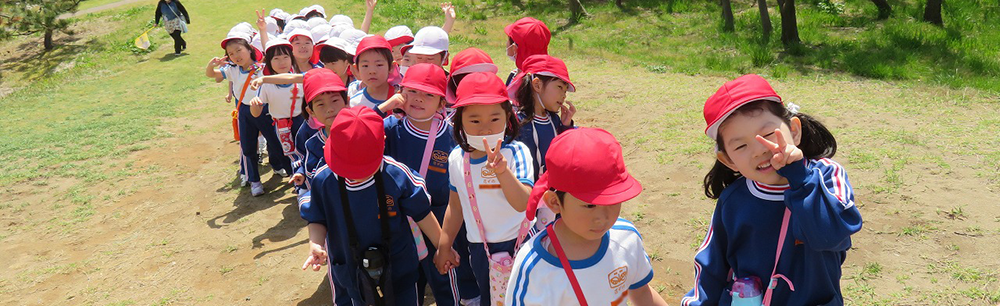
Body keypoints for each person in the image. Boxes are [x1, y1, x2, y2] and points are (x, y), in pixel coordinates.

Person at [681, 74, 863, 305]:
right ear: (728, 161)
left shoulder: (827, 175)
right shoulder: (733, 200)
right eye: (741, 146)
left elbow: (831, 236)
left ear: (794, 131)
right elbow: (712, 266)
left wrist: (800, 178)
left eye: (768, 135)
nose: (759, 150)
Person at [300, 105, 446, 306]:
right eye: (347, 167)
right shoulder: (324, 179)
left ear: (382, 143)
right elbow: (317, 217)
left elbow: (422, 213)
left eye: (363, 168)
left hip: (399, 271)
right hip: (353, 273)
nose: (355, 175)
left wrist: (442, 247)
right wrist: (315, 244)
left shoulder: (396, 175)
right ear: (330, 147)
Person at [505, 127, 669, 306]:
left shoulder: (626, 238)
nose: (602, 217)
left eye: (613, 200)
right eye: (589, 205)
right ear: (555, 202)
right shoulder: (533, 267)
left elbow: (641, 292)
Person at [434, 72, 533, 306]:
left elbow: (524, 203)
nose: (486, 129)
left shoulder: (516, 153)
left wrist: (502, 171)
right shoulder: (457, 158)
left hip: (519, 242)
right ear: (459, 121)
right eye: (475, 121)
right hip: (480, 249)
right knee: (493, 300)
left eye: (495, 119)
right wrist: (444, 246)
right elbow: (455, 207)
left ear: (508, 117)